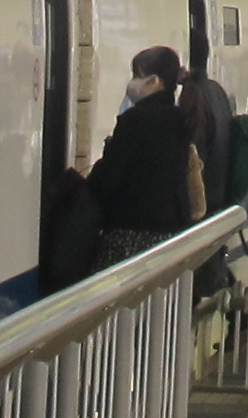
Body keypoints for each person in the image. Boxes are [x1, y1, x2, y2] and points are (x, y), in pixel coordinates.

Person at [86, 45, 203, 266]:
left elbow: (107, 178)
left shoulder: (135, 120)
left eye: (136, 76)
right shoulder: (181, 119)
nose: (132, 82)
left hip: (132, 234)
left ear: (154, 81)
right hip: (170, 233)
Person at [177, 30, 238, 217]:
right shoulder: (216, 90)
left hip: (201, 199)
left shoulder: (191, 96)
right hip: (219, 192)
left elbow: (194, 147)